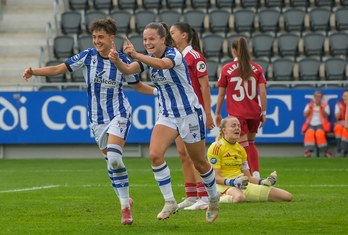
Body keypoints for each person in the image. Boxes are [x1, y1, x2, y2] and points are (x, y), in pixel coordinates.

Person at [23, 18, 157, 225]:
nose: (96, 41)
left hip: (119, 114)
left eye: (101, 37)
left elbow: (138, 86)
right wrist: (35, 72)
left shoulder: (123, 61)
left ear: (112, 37)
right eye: (94, 37)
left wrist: (161, 93)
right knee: (111, 164)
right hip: (96, 120)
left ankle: (124, 209)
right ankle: (125, 199)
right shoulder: (87, 56)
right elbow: (59, 69)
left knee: (114, 157)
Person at [108, 22, 219, 223]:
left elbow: (162, 65)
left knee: (199, 162)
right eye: (144, 39)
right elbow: (127, 70)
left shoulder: (174, 54)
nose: (147, 43)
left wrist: (136, 54)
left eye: (151, 39)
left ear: (162, 39)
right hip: (168, 115)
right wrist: (116, 60)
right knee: (155, 155)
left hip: (190, 114)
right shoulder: (148, 58)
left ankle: (213, 198)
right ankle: (170, 201)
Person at [169, 22, 214, 210]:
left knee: (195, 156)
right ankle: (191, 196)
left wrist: (208, 114)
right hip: (179, 112)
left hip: (194, 113)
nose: (170, 36)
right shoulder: (176, 56)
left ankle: (205, 196)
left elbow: (205, 86)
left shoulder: (194, 56)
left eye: (173, 33)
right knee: (183, 155)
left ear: (184, 35)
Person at [207, 116, 293, 204]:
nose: (237, 128)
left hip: (242, 185)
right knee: (239, 198)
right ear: (224, 130)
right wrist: (232, 182)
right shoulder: (216, 147)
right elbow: (215, 177)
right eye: (233, 126)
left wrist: (263, 181)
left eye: (238, 126)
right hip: (223, 186)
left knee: (287, 196)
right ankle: (212, 199)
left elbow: (248, 177)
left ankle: (235, 196)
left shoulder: (241, 149)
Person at [215, 37, 267, 179]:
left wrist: (217, 112)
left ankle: (249, 177)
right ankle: (256, 173)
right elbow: (262, 92)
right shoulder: (257, 68)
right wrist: (263, 112)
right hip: (254, 112)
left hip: (238, 114)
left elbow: (221, 94)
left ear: (233, 51)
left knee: (243, 147)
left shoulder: (227, 69)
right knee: (251, 143)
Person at [302, 90, 333, 158]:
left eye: (320, 97)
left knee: (320, 134)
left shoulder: (325, 106)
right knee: (309, 133)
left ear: (321, 98)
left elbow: (326, 115)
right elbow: (305, 114)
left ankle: (326, 151)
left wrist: (320, 107)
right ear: (314, 97)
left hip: (321, 124)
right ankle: (308, 151)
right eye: (317, 96)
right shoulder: (309, 105)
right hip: (310, 124)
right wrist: (311, 106)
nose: (318, 98)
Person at [334, 90, 348, 157]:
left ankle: (344, 150)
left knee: (345, 129)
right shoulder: (338, 105)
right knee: (338, 127)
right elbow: (337, 117)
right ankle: (339, 148)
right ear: (342, 97)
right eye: (345, 96)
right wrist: (340, 109)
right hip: (340, 122)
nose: (346, 97)